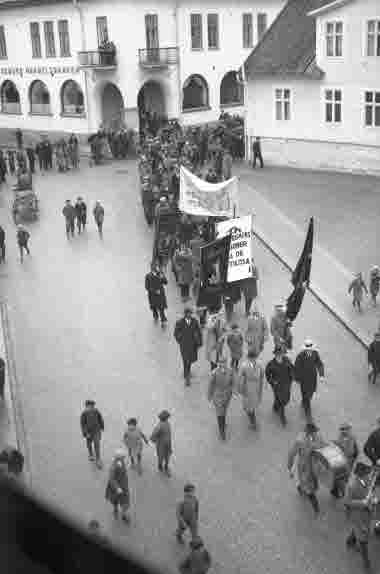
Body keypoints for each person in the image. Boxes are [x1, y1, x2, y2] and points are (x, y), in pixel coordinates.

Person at [288, 422, 325, 516]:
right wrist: (290, 466)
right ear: (308, 431)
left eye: (315, 432)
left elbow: (322, 446)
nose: (315, 433)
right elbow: (292, 453)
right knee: (309, 489)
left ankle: (303, 490)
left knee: (309, 483)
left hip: (313, 464)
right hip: (304, 466)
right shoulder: (300, 440)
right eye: (313, 432)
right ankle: (316, 508)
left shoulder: (317, 436)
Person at [344, 461, 374, 571]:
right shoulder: (351, 486)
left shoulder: (367, 480)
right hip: (357, 515)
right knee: (363, 539)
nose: (369, 475)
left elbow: (367, 492)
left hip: (365, 514)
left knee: (357, 530)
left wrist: (371, 500)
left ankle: (350, 541)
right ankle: (366, 562)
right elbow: (346, 501)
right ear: (361, 474)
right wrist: (362, 503)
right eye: (367, 473)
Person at [294, 339, 325, 420]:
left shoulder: (315, 354)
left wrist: (321, 375)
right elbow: (296, 367)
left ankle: (305, 401)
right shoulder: (300, 355)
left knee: (310, 394)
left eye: (310, 346)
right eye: (307, 347)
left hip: (313, 378)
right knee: (306, 395)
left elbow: (319, 364)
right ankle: (308, 414)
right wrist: (297, 378)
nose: (309, 348)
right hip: (303, 379)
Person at [265, 342, 294, 426]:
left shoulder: (287, 360)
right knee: (281, 400)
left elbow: (292, 369)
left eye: (281, 354)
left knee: (286, 399)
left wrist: (292, 377)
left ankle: (275, 406)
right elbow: (267, 375)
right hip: (277, 386)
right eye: (278, 354)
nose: (279, 355)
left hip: (286, 384)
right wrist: (272, 382)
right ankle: (282, 417)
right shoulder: (271, 364)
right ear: (275, 355)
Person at [174, 305, 202, 385]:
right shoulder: (180, 322)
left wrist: (199, 342)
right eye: (188, 313)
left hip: (193, 344)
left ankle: (188, 371)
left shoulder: (195, 321)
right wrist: (180, 340)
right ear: (185, 314)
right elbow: (176, 333)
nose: (189, 315)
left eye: (190, 313)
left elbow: (199, 332)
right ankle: (187, 376)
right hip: (184, 345)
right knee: (185, 359)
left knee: (190, 359)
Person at [208, 356, 234, 440]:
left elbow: (233, 381)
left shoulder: (230, 371)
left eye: (224, 362)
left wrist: (233, 390)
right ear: (218, 363)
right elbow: (211, 385)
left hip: (227, 395)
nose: (222, 364)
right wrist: (209, 395)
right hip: (217, 395)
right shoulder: (214, 372)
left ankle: (223, 422)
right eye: (220, 362)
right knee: (220, 413)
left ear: (226, 362)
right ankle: (221, 431)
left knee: (224, 410)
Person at [330, 422, 359, 498]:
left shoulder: (352, 437)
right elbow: (340, 448)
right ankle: (337, 491)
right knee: (340, 476)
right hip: (342, 460)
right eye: (342, 429)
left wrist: (354, 459)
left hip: (349, 460)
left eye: (345, 429)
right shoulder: (341, 437)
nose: (343, 431)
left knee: (344, 477)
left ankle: (336, 490)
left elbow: (355, 449)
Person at [238, 348, 264, 430]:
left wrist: (261, 386)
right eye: (251, 358)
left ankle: (253, 420)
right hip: (248, 387)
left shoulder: (259, 364)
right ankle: (253, 421)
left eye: (254, 357)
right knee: (249, 406)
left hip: (256, 387)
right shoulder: (244, 365)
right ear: (248, 358)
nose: (253, 359)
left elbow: (262, 375)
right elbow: (240, 377)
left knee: (252, 405)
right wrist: (240, 389)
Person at [105, 449, 130, 523]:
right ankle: (115, 508)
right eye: (123, 457)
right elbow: (111, 479)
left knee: (125, 501)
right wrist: (117, 488)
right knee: (115, 500)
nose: (124, 458)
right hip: (116, 487)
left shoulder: (121, 462)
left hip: (123, 486)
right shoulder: (113, 466)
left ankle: (124, 515)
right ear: (118, 457)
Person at [80, 400, 104, 469]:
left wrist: (102, 426)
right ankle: (90, 454)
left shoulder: (96, 411)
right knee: (89, 444)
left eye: (92, 406)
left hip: (97, 431)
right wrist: (85, 433)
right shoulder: (84, 414)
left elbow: (100, 418)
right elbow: (83, 424)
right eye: (89, 406)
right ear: (86, 407)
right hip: (88, 432)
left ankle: (98, 459)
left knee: (97, 444)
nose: (91, 408)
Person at [150, 410, 172, 476]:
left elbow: (153, 435)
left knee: (161, 455)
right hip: (166, 443)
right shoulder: (166, 424)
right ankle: (165, 466)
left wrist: (153, 440)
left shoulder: (160, 425)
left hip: (162, 443)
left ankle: (161, 466)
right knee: (166, 455)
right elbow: (154, 435)